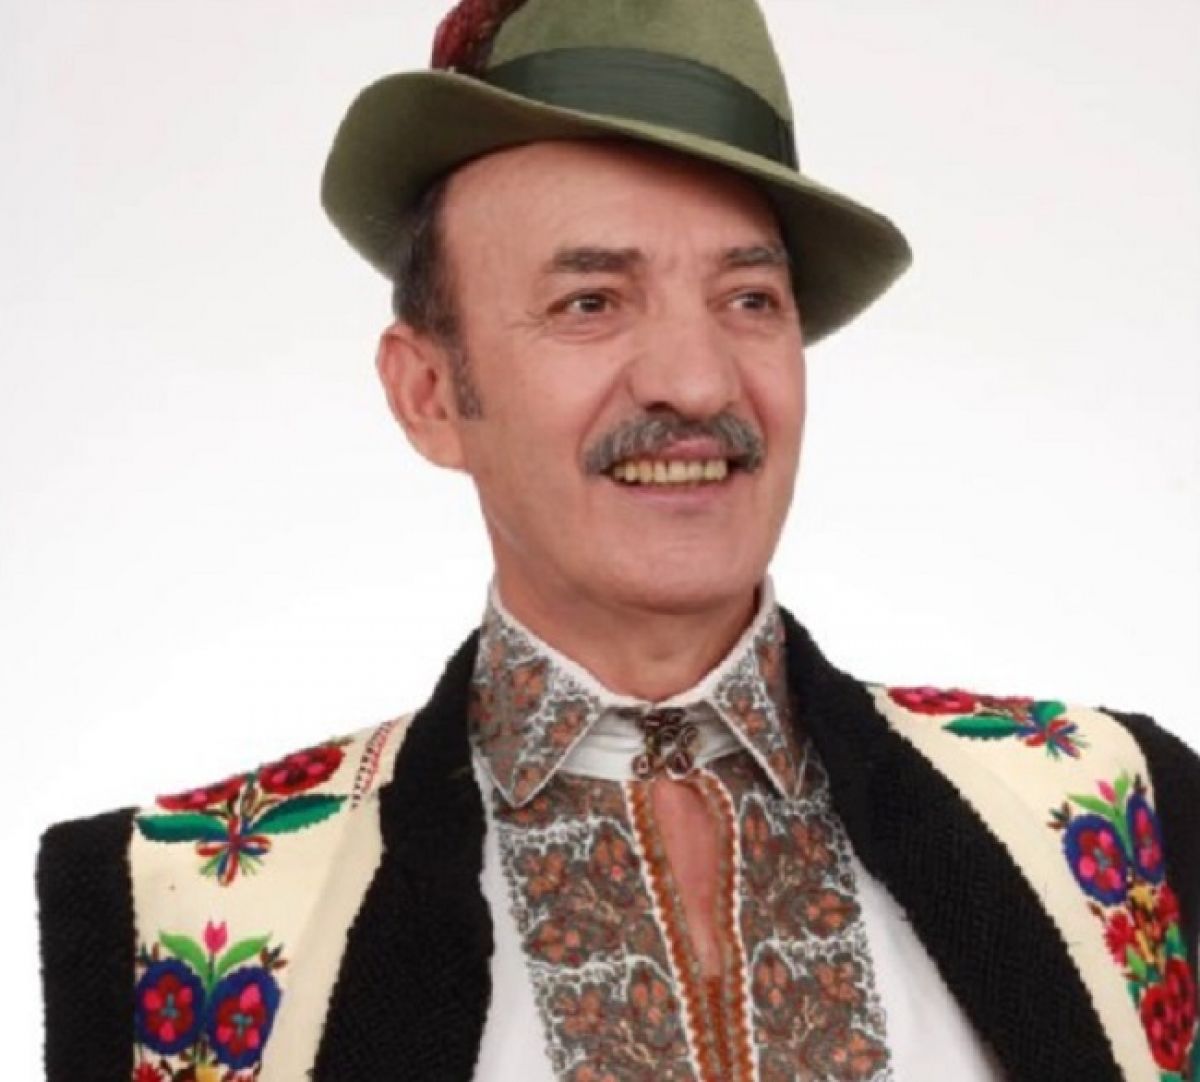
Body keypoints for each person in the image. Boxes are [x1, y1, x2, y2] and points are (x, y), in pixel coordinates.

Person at [36, 0, 1199, 1079]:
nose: (697, 380)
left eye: (749, 299)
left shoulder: (1107, 814)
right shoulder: (187, 911)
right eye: (589, 301)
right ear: (430, 393)